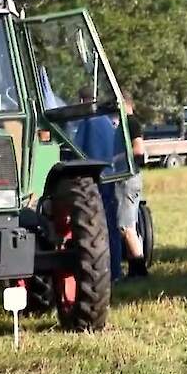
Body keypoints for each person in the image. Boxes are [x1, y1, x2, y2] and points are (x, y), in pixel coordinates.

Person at [73, 86, 123, 282]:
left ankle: (101, 271)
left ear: (83, 101)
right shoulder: (107, 121)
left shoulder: (87, 122)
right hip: (109, 176)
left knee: (95, 227)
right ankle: (116, 271)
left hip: (93, 180)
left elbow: (76, 150)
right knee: (111, 224)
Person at [117, 91, 147, 277]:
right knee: (130, 226)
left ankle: (139, 269)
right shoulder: (130, 122)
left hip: (127, 179)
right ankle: (134, 270)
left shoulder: (130, 122)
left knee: (125, 227)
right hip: (132, 179)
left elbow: (138, 150)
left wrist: (114, 159)